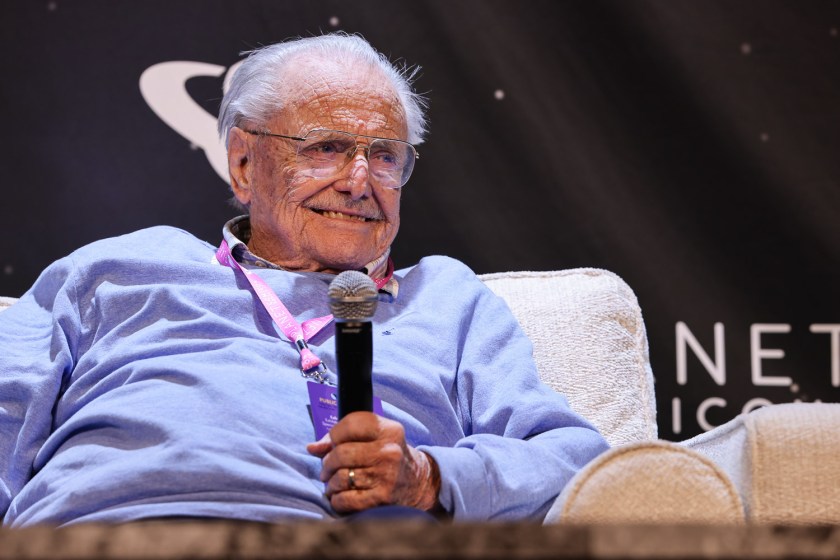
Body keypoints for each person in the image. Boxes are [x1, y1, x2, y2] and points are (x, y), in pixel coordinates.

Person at [0, 34, 608, 527]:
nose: (359, 180)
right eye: (326, 148)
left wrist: (427, 477)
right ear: (244, 163)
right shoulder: (114, 271)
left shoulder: (448, 300)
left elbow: (574, 461)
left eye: (386, 155)